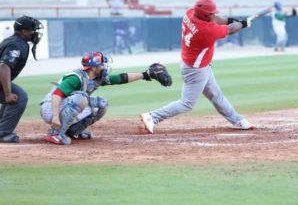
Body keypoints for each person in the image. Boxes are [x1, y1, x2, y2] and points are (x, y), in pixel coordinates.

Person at [140, 0, 256, 134]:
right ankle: (153, 117)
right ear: (205, 15)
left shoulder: (190, 13)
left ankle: (237, 120)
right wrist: (243, 24)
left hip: (195, 63)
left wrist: (232, 20)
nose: (213, 15)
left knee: (216, 95)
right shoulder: (206, 31)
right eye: (211, 13)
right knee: (187, 103)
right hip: (195, 69)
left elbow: (217, 18)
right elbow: (230, 30)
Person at [40, 52, 172, 145]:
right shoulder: (76, 77)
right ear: (93, 67)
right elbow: (56, 95)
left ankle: (72, 132)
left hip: (64, 105)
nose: (105, 67)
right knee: (81, 98)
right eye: (102, 64)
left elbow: (120, 78)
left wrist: (145, 74)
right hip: (50, 108)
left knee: (100, 104)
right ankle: (55, 133)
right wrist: (56, 117)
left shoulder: (96, 77)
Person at [0, 15, 43, 143]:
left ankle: (2, 129)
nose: (35, 33)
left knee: (14, 96)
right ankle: (3, 133)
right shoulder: (17, 44)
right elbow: (4, 66)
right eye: (32, 30)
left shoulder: (12, 41)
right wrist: (7, 93)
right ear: (24, 31)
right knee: (19, 96)